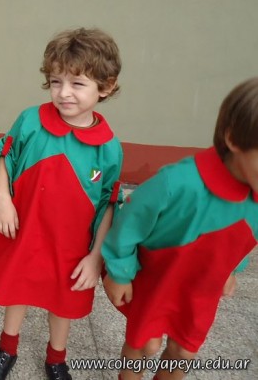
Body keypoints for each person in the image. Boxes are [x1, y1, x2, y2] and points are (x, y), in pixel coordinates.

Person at [0, 28, 124, 380]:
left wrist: (95, 256)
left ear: (105, 87)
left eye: (77, 83)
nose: (63, 92)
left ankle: (56, 357)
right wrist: (3, 199)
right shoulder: (31, 120)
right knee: (18, 287)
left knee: (63, 301)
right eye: (56, 82)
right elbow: (5, 155)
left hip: (70, 245)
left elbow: (108, 204)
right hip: (25, 230)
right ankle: (6, 348)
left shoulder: (109, 148)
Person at [102, 77, 258, 380]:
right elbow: (130, 221)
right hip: (158, 281)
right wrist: (119, 271)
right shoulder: (177, 182)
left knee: (184, 352)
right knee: (144, 345)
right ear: (234, 139)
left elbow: (242, 241)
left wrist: (231, 269)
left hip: (202, 290)